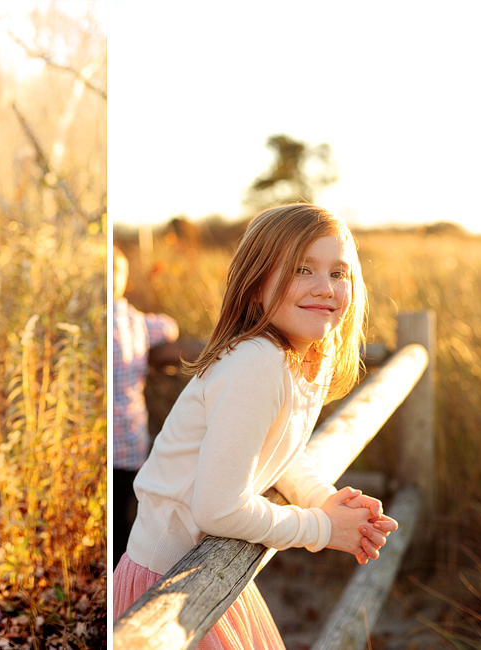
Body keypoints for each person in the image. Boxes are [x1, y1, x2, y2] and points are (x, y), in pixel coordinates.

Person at [113, 204, 399, 649]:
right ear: (255, 285)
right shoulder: (257, 363)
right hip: (166, 583)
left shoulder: (301, 358)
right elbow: (219, 509)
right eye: (303, 269)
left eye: (339, 273)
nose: (324, 288)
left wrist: (325, 498)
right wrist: (322, 529)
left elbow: (280, 449)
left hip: (202, 570)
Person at [112, 246, 179, 568]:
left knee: (115, 521)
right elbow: (169, 327)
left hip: (111, 444)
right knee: (126, 517)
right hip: (130, 440)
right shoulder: (136, 321)